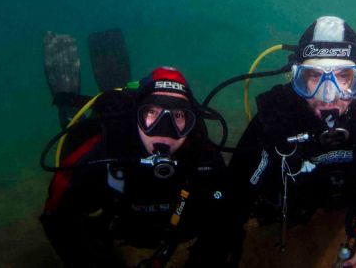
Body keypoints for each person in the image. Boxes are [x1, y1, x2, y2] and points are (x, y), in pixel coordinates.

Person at [224, 16, 356, 267]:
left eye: (343, 76)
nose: (329, 97)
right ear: (297, 79)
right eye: (315, 76)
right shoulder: (277, 116)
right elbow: (234, 196)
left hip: (355, 198)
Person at [40, 66, 229, 267]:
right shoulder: (107, 147)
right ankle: (70, 114)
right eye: (152, 112)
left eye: (178, 115)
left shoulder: (202, 154)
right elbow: (56, 215)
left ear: (192, 121)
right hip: (114, 225)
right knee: (76, 137)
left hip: (168, 229)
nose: (164, 130)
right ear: (136, 116)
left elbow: (227, 214)